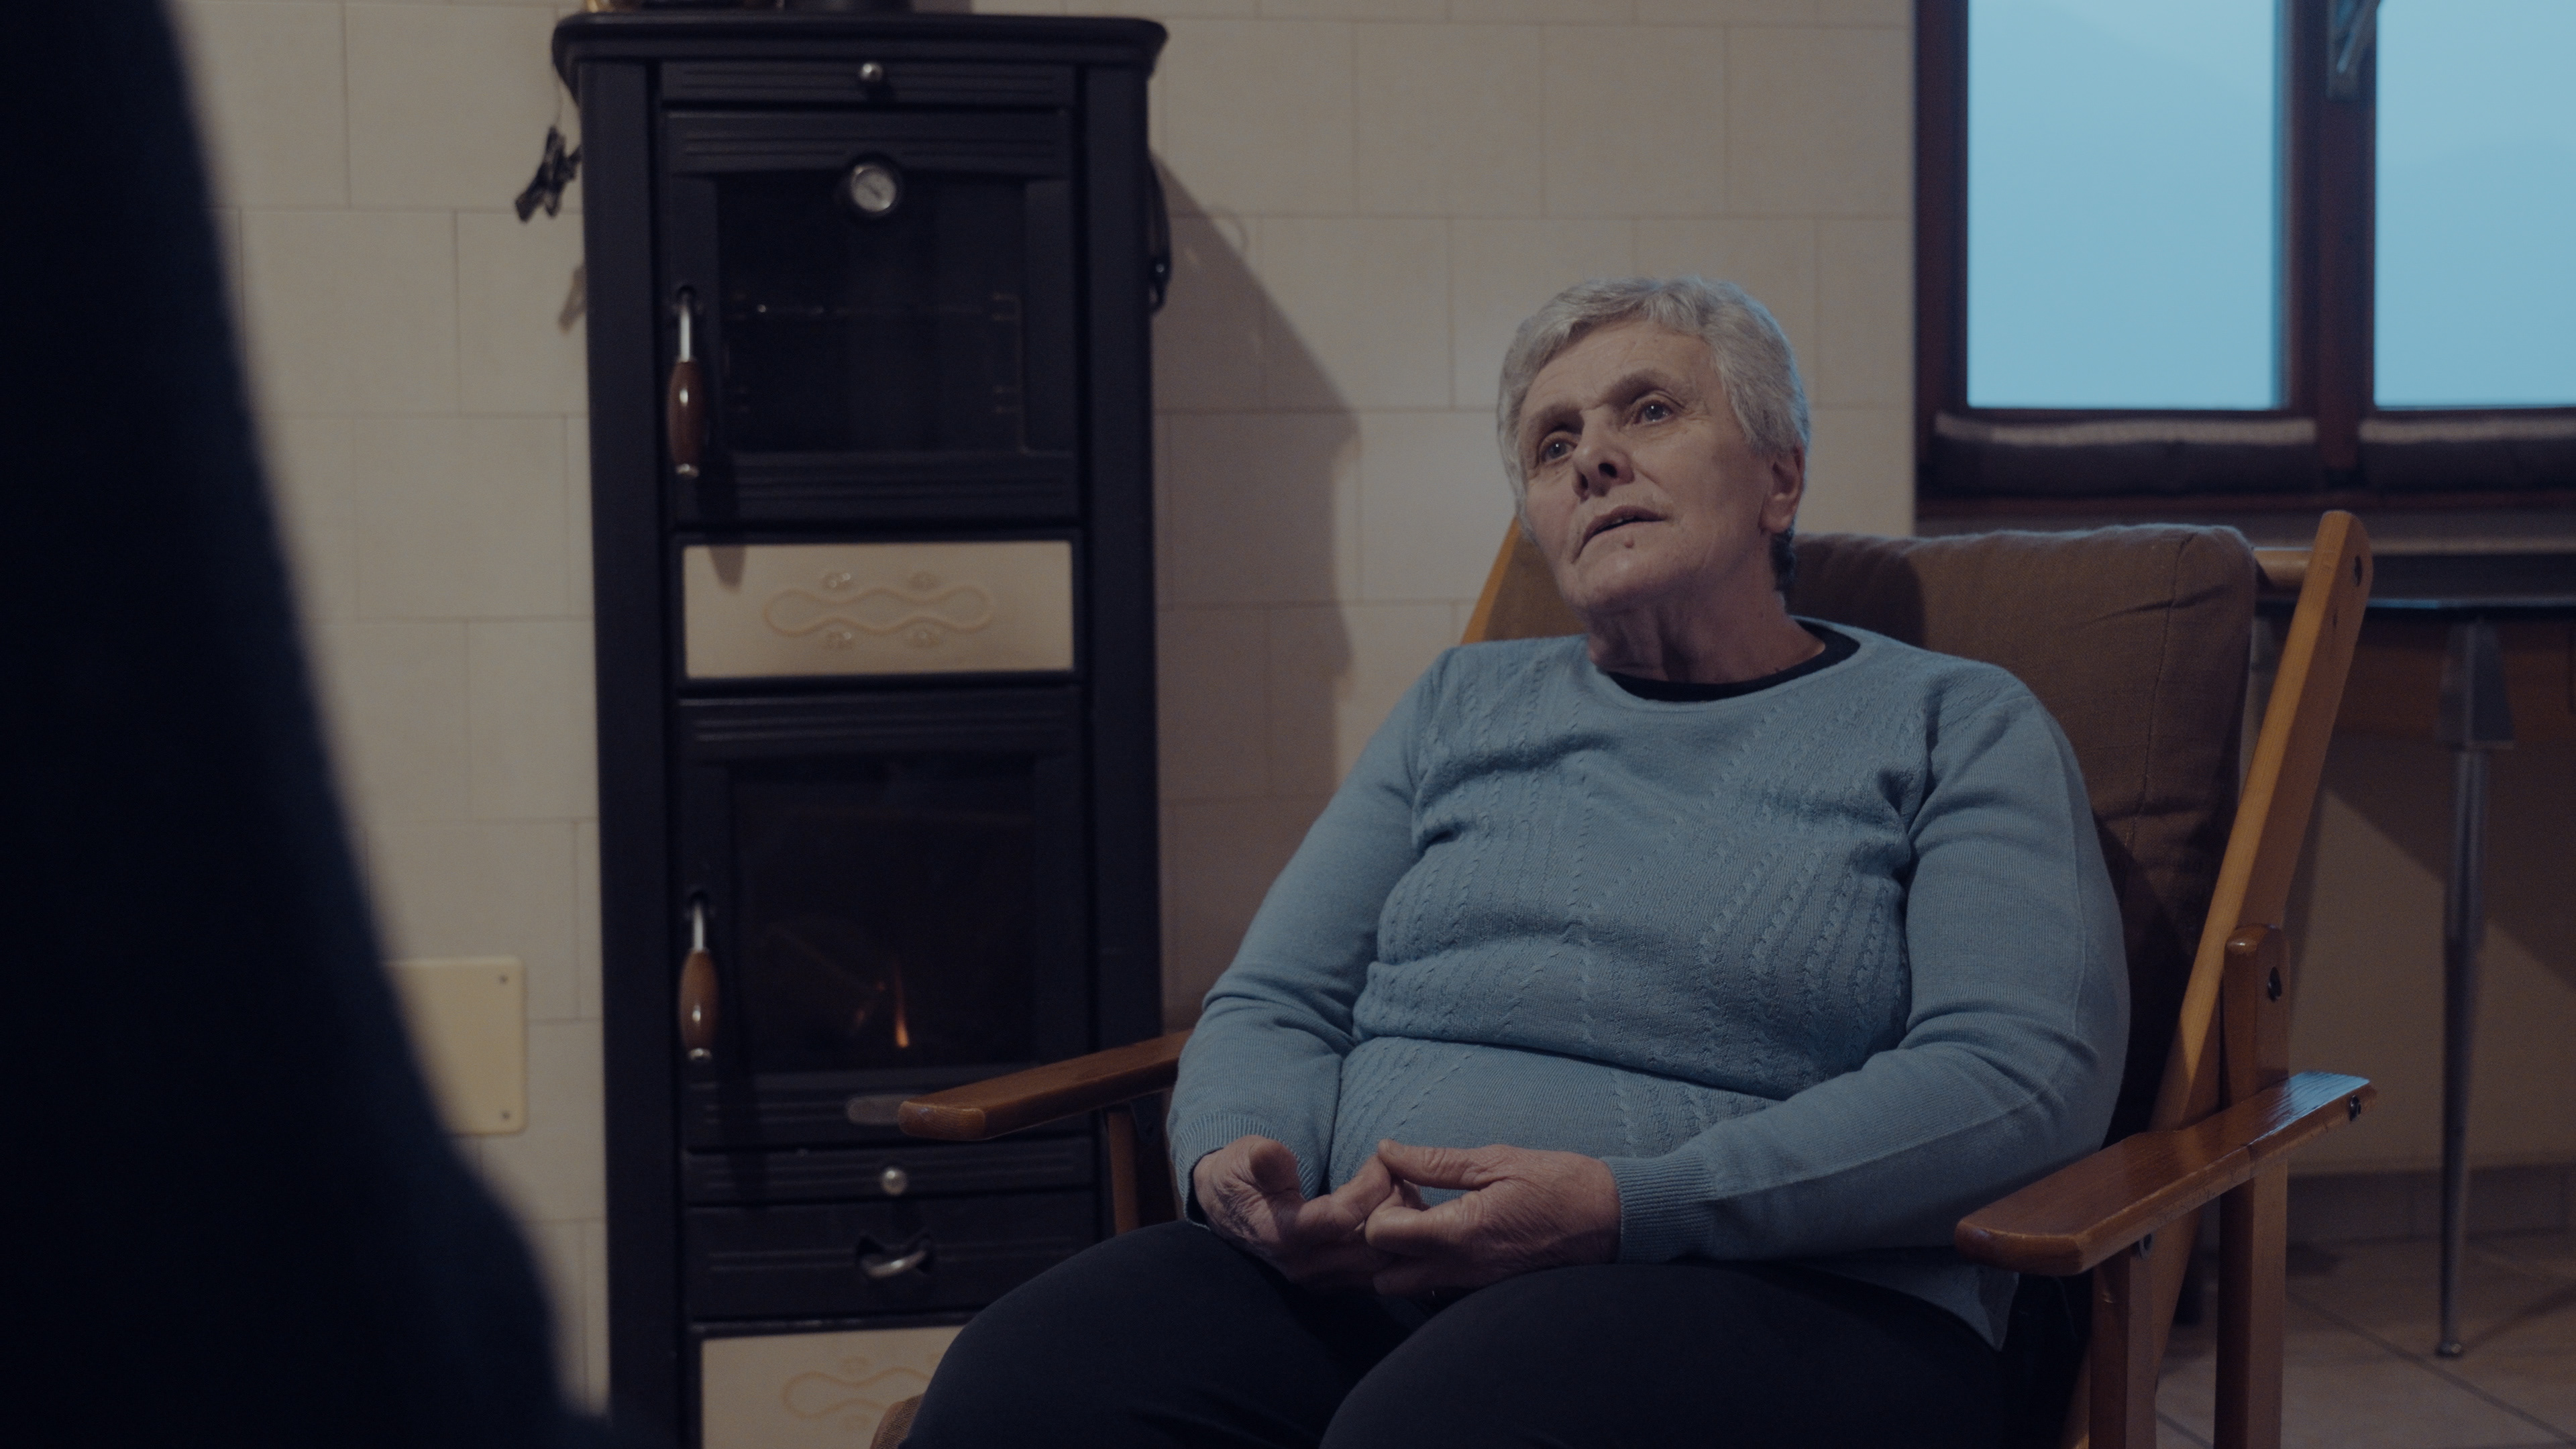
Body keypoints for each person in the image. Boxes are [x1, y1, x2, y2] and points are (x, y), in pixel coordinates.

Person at [906, 276, 2127, 1448]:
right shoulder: (1460, 703)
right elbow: (1277, 1001)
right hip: (1369, 1274)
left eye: (1650, 410)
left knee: (1441, 1425)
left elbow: (2020, 1074)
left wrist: (1631, 1206)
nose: (1592, 458)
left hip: (1796, 1289)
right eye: (1552, 444)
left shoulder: (1954, 723)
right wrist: (1242, 1158)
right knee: (1021, 1389)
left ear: (1780, 477)